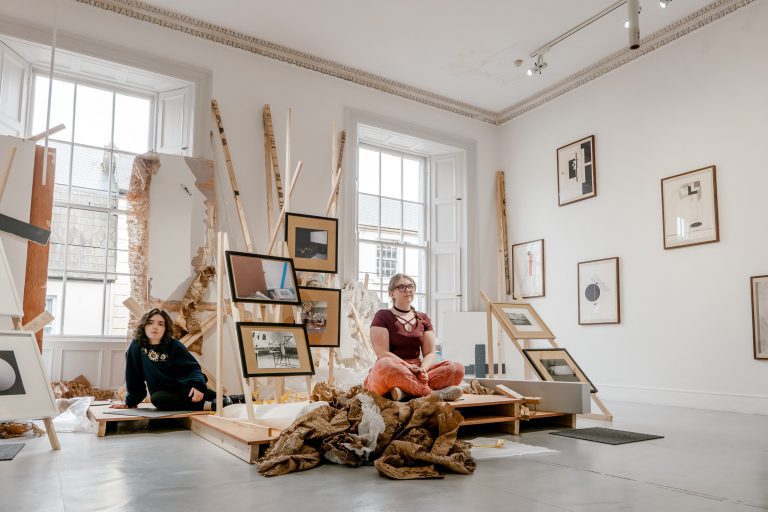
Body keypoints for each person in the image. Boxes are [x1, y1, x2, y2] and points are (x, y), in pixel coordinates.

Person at [110, 308, 238, 411]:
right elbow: (133, 376)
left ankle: (236, 399)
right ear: (144, 326)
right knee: (158, 400)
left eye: (160, 324)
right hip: (161, 393)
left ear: (165, 329)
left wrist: (197, 385)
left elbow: (192, 367)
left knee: (224, 400)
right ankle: (210, 406)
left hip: (184, 388)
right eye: (150, 322)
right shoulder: (136, 346)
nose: (155, 327)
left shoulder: (174, 345)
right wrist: (130, 402)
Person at [364, 273, 464, 402]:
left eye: (411, 286)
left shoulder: (423, 318)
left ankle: (404, 392)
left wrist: (422, 369)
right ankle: (432, 395)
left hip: (417, 371)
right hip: (392, 369)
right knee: (386, 364)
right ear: (391, 293)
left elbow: (430, 353)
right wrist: (409, 367)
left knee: (456, 368)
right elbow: (382, 353)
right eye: (401, 287)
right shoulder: (383, 315)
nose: (407, 290)